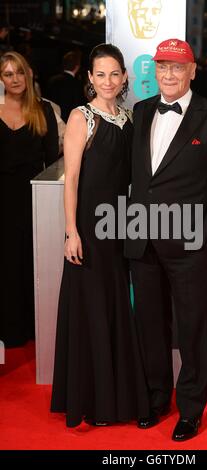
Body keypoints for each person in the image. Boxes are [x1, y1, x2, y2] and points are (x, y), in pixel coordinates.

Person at [125, 38, 207, 441]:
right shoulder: (139, 111)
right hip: (142, 237)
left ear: (192, 71)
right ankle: (157, 398)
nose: (169, 75)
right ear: (154, 71)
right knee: (150, 324)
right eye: (162, 67)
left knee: (191, 328)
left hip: (190, 240)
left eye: (177, 67)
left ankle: (190, 410)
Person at [50, 44, 149, 427]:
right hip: (90, 231)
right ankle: (93, 400)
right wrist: (71, 232)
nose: (108, 81)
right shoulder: (82, 118)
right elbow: (70, 179)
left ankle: (117, 396)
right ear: (89, 78)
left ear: (125, 76)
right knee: (92, 310)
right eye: (100, 74)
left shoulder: (128, 118)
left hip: (120, 226)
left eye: (114, 73)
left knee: (116, 309)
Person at [0, 51, 59, 347]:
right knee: (4, 262)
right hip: (1, 200)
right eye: (8, 74)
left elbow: (52, 162)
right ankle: (7, 328)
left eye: (19, 72)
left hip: (31, 198)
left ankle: (31, 327)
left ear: (29, 73)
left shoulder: (44, 110)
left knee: (29, 262)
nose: (15, 79)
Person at [46, 51, 85, 122]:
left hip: (53, 120)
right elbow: (78, 107)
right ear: (77, 67)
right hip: (70, 122)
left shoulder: (52, 80)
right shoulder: (77, 84)